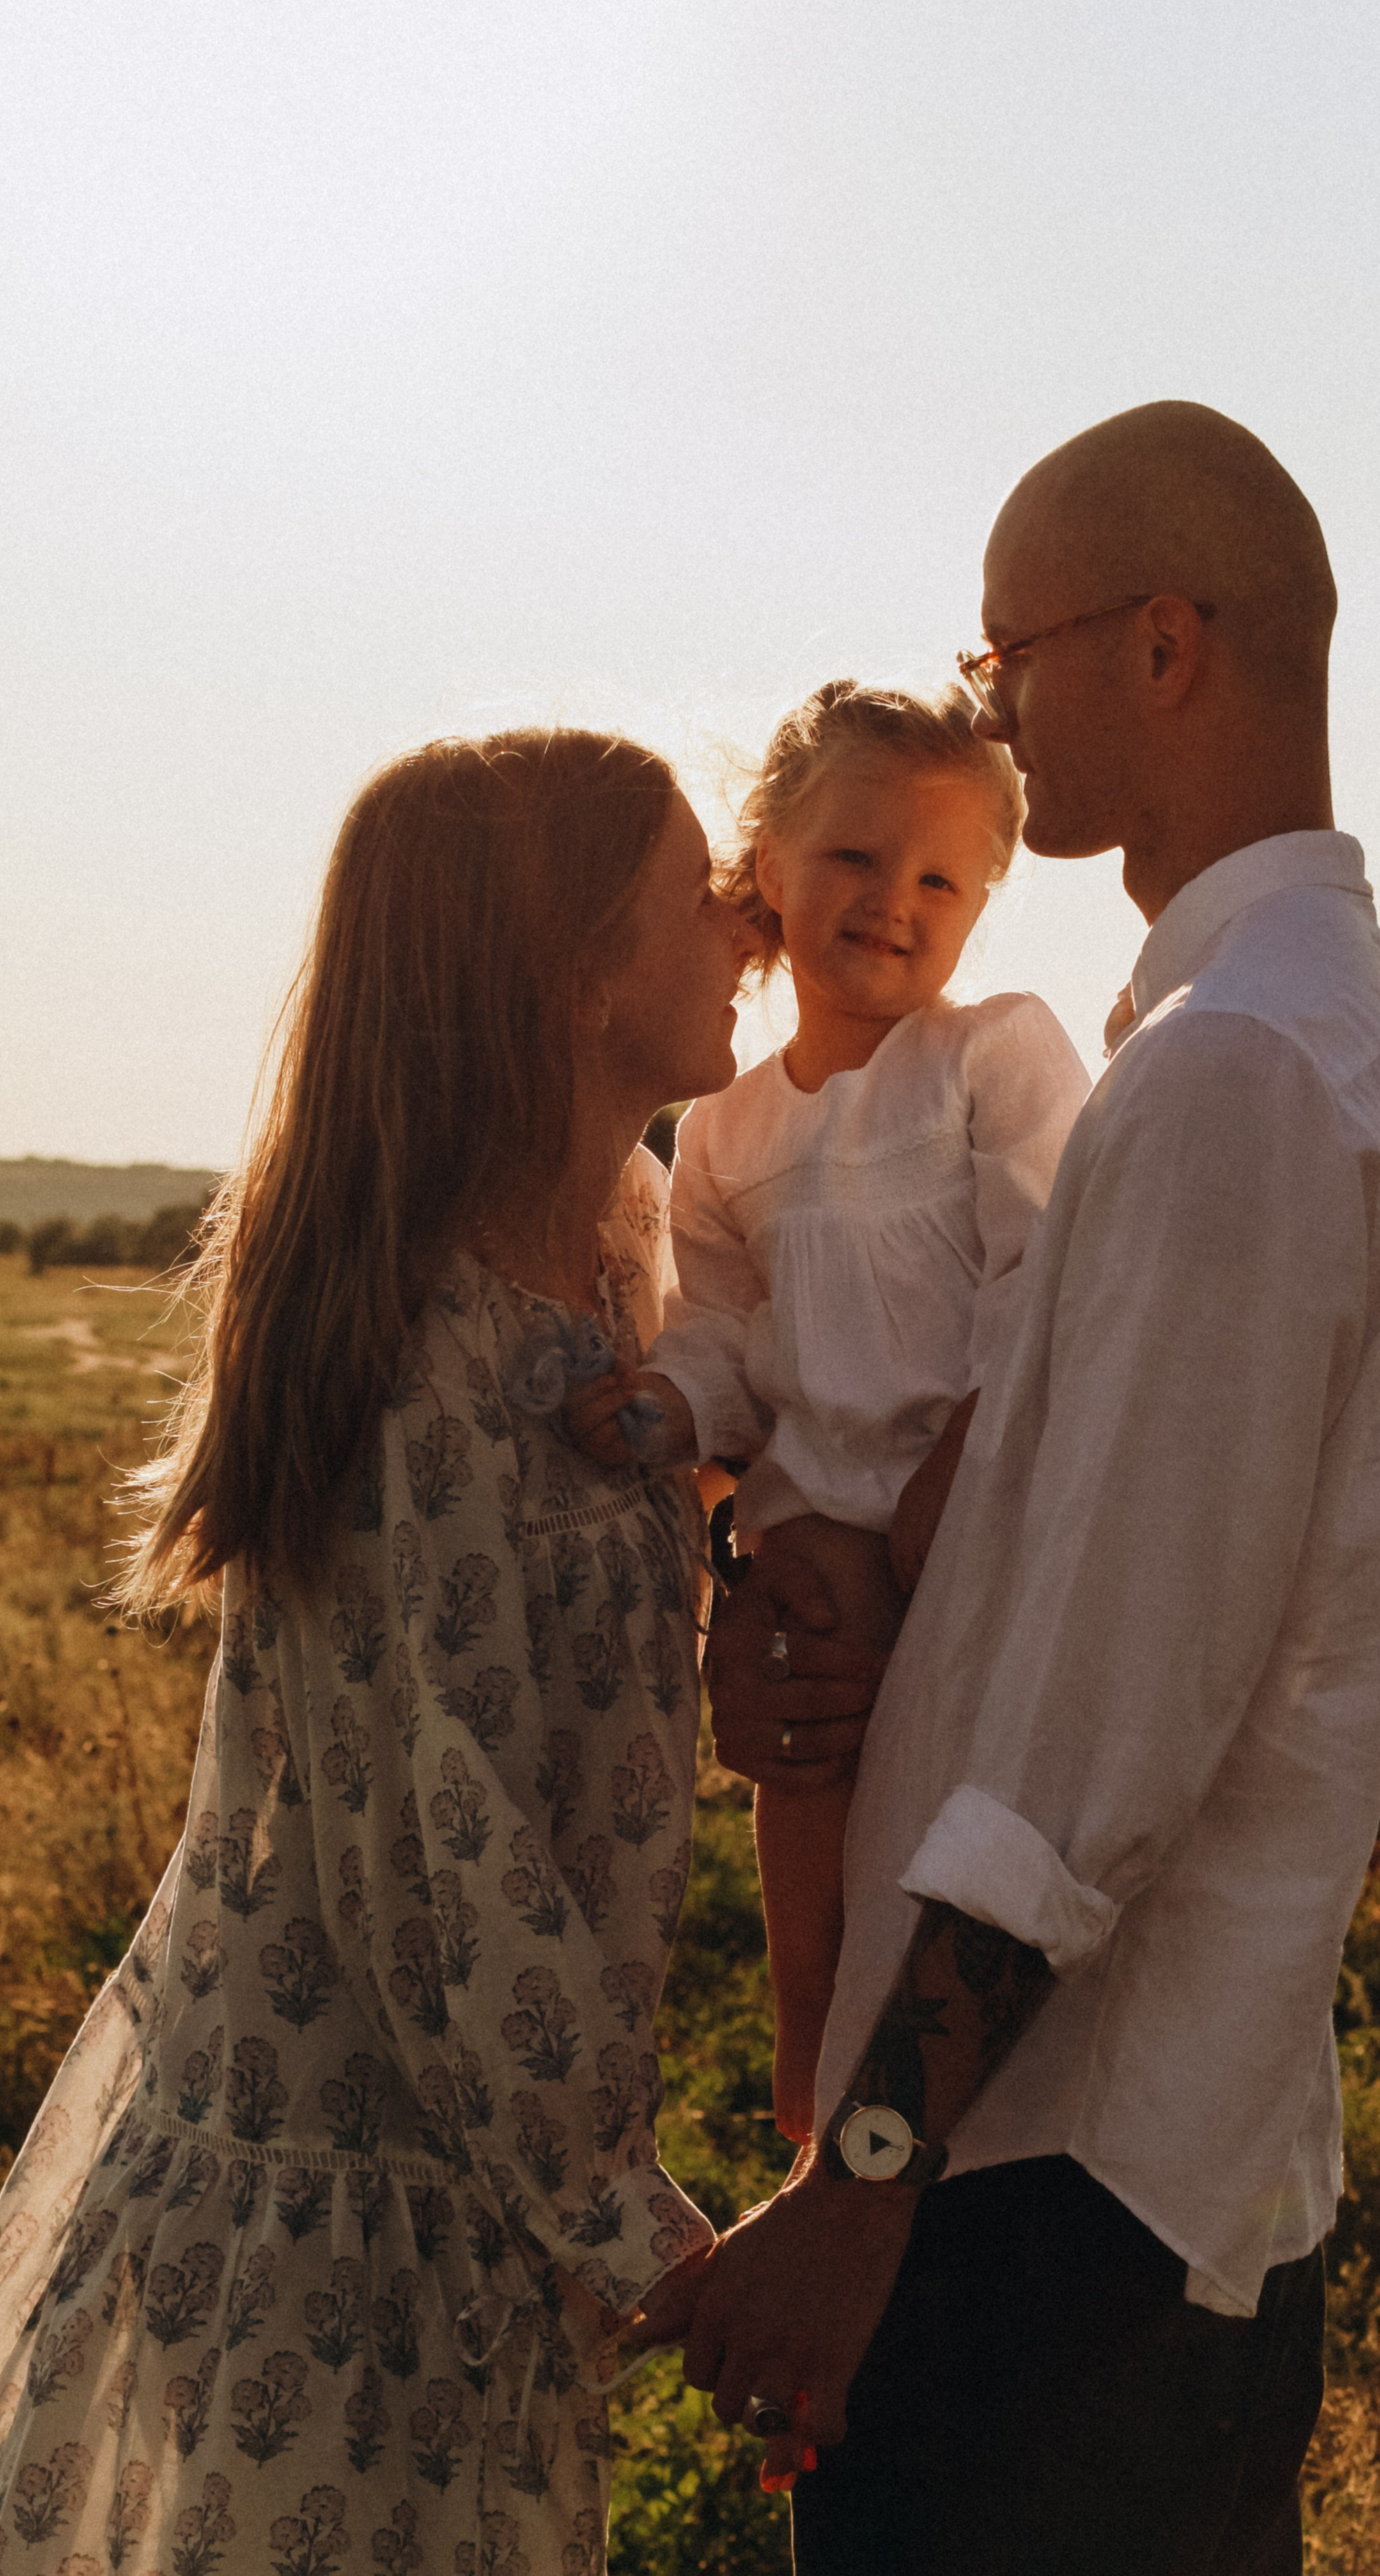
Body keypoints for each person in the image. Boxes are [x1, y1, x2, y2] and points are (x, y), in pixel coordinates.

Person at [651, 403, 1380, 2572]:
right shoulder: (1316, 1031)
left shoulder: (1230, 1077)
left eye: (1011, 649)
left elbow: (1112, 1733)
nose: (995, 705)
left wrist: (858, 2191)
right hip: (1130, 2180)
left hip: (1062, 2218)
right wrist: (802, 1574)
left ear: (1166, 647)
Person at [0, 730, 750, 2576]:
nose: (752, 923)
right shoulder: (426, 1362)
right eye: (700, 892)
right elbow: (442, 1876)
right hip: (356, 2211)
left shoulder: (626, 1248)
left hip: (469, 2202)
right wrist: (644, 2241)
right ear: (574, 970)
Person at [566, 680, 1087, 2141]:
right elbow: (729, 1332)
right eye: (853, 859)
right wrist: (670, 1406)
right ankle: (809, 2139)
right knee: (810, 1880)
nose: (893, 902)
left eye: (941, 878)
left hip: (970, 1516)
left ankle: (939, 2164)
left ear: (985, 901)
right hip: (809, 1533)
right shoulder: (727, 1130)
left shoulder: (992, 1056)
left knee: (948, 1875)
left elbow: (1049, 1279)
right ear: (767, 865)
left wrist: (956, 1482)